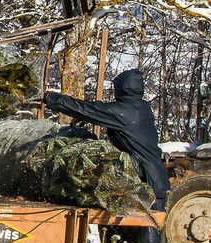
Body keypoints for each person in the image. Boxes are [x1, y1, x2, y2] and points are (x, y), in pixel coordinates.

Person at [42, 69, 171, 201]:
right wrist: (89, 118)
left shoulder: (125, 111)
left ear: (122, 88)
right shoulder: (142, 107)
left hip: (144, 183)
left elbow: (86, 109)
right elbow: (104, 112)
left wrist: (49, 98)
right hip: (155, 178)